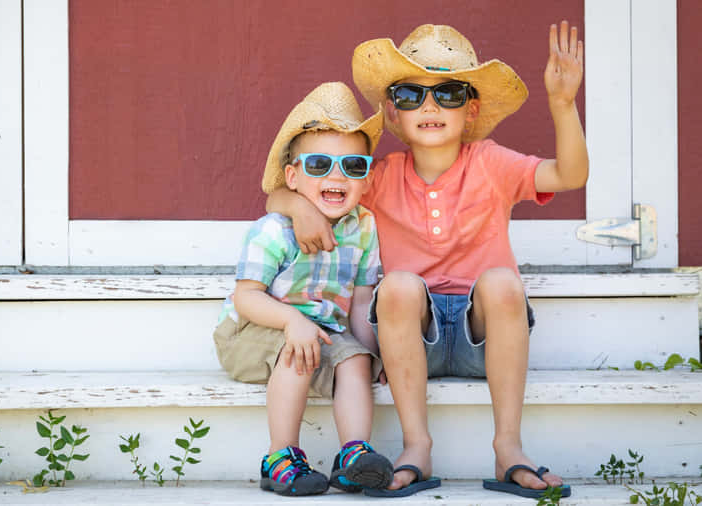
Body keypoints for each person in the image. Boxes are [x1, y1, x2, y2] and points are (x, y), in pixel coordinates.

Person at [266, 23, 588, 499]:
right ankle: (417, 446)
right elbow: (279, 192)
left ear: (471, 109)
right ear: (393, 114)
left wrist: (562, 104)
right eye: (411, 94)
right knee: (396, 284)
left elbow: (570, 174)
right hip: (409, 338)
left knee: (501, 281)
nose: (430, 106)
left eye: (449, 93)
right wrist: (298, 207)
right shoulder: (376, 177)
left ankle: (507, 447)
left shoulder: (491, 163)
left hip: (485, 337)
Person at [213, 82, 394, 497]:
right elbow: (246, 296)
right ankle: (280, 456)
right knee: (295, 348)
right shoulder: (274, 230)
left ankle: (353, 455)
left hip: (321, 330)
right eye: (319, 165)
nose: (336, 176)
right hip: (253, 330)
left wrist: (374, 351)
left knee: (355, 360)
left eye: (353, 165)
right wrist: (292, 321)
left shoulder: (363, 227)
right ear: (292, 177)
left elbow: (363, 300)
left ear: (366, 177)